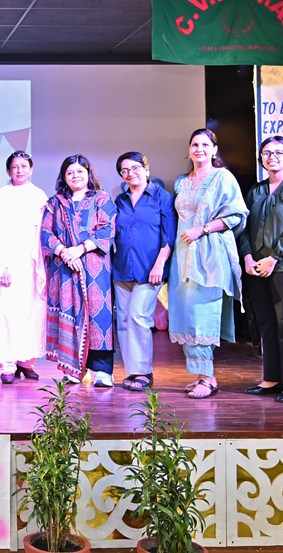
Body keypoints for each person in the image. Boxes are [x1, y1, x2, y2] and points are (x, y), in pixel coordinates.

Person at [169, 128, 248, 399]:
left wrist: (201, 230)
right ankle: (201, 375)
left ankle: (208, 377)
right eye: (194, 144)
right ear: (189, 149)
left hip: (209, 254)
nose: (199, 149)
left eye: (205, 145)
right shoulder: (181, 182)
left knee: (203, 313)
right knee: (185, 313)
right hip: (182, 255)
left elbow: (236, 215)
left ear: (214, 150)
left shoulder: (223, 177)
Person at [238, 136, 283, 403]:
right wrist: (248, 257)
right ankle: (271, 378)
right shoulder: (255, 191)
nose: (272, 157)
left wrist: (274, 258)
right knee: (266, 323)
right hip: (256, 267)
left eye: (279, 152)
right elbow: (244, 229)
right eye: (267, 153)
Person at [41, 154, 117, 387]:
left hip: (94, 267)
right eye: (70, 172)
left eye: (80, 171)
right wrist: (64, 252)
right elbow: (45, 232)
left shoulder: (101, 199)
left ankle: (102, 371)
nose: (75, 176)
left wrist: (79, 250)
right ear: (64, 177)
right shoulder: (55, 203)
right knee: (69, 313)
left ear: (88, 174)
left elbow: (107, 230)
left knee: (98, 316)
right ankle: (73, 369)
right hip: (64, 269)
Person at [112, 151, 176, 392]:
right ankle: (132, 371)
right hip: (122, 268)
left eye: (135, 168)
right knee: (124, 321)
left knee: (139, 317)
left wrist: (159, 264)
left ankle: (144, 372)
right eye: (125, 170)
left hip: (150, 269)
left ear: (146, 169)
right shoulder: (120, 200)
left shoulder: (161, 197)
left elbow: (168, 236)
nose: (130, 173)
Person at [0, 150, 48, 384]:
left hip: (31, 261)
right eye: (15, 167)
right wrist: (4, 265)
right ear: (8, 170)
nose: (19, 170)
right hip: (8, 261)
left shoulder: (39, 196)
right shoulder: (2, 195)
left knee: (30, 311)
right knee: (6, 312)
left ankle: (26, 361)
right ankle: (7, 363)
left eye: (24, 166)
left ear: (31, 169)